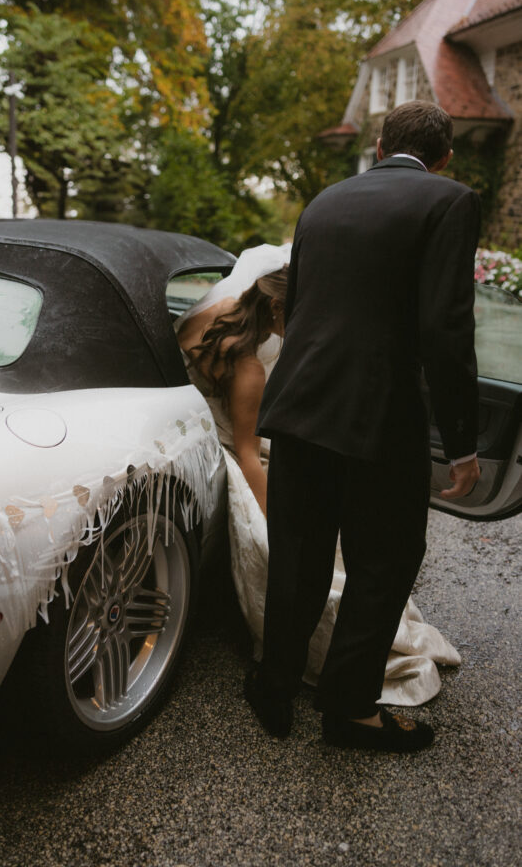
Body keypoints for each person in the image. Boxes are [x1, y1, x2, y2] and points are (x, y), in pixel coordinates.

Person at [248, 100, 481, 751]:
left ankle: (273, 688)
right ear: (443, 158)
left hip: (298, 404)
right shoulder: (448, 201)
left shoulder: (323, 202)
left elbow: (303, 309)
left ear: (378, 145)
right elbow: (444, 328)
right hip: (379, 418)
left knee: (299, 554)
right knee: (383, 560)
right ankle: (349, 710)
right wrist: (460, 443)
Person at [176, 239, 461, 714]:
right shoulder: (247, 367)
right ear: (273, 306)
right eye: (296, 314)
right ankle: (336, 661)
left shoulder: (216, 313)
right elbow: (246, 453)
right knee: (311, 550)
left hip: (191, 425)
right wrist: (275, 520)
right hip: (227, 447)